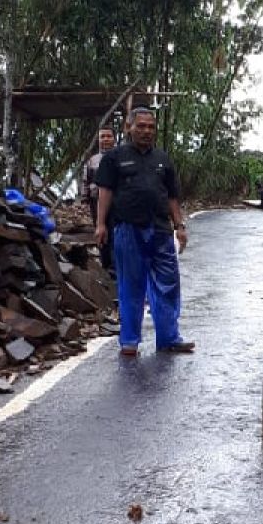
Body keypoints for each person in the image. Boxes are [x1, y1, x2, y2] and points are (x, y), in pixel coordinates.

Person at [94, 108, 195, 356]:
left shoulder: (162, 159)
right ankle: (129, 341)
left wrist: (179, 226)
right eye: (141, 126)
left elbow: (171, 196)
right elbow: (104, 192)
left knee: (168, 283)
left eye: (151, 127)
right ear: (129, 128)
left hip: (160, 230)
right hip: (128, 229)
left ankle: (169, 338)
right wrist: (100, 224)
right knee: (131, 284)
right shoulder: (115, 158)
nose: (146, 131)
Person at [84, 127, 116, 268]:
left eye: (109, 136)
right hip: (95, 201)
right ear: (98, 140)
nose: (106, 139)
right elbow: (85, 180)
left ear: (114, 139)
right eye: (103, 137)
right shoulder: (92, 160)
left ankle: (117, 265)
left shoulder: (119, 157)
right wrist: (85, 196)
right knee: (101, 230)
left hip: (116, 202)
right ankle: (105, 265)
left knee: (116, 231)